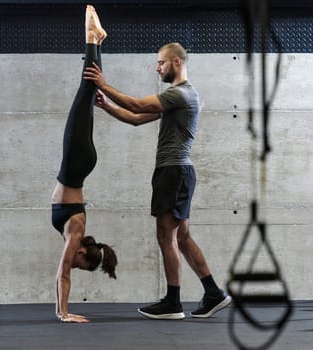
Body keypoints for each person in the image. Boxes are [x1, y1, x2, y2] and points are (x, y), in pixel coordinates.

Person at [83, 42, 231, 320]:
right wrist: (107, 106)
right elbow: (137, 118)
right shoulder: (181, 97)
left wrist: (103, 84)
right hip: (177, 172)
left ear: (176, 62)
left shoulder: (180, 94)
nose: (157, 67)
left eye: (161, 62)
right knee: (183, 237)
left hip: (173, 172)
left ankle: (173, 303)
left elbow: (138, 104)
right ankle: (213, 293)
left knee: (167, 236)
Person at [51, 5, 117, 323]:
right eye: (81, 263)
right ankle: (92, 37)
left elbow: (66, 269)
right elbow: (63, 272)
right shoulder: (75, 233)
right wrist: (63, 313)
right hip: (75, 165)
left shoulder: (73, 235)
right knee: (87, 88)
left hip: (77, 165)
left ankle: (98, 41)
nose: (74, 264)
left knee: (87, 96)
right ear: (81, 253)